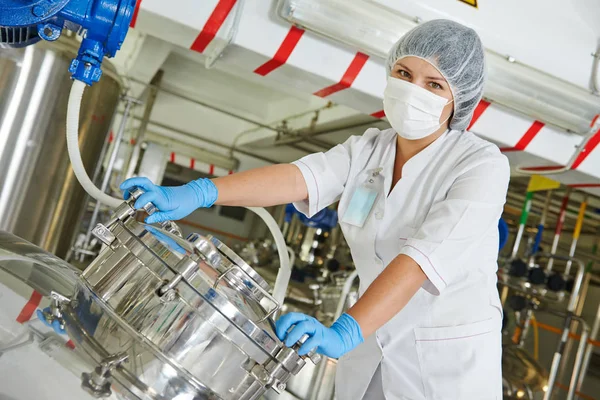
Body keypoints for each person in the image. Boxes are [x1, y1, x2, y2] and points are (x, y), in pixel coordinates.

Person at [120, 19, 509, 400]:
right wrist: (198, 192)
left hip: (444, 369)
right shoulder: (370, 148)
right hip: (371, 352)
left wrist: (346, 331)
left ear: (459, 99)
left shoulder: (480, 166)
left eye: (434, 84)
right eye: (404, 73)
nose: (412, 91)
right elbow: (297, 178)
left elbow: (418, 262)